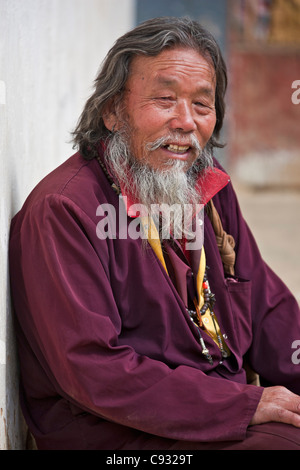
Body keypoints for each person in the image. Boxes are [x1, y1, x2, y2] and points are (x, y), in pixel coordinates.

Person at [9, 17, 300, 450]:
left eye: (202, 105)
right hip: (121, 433)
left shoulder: (207, 183)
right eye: (165, 99)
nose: (185, 121)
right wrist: (241, 405)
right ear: (112, 111)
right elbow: (93, 371)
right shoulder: (64, 211)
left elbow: (264, 302)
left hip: (219, 403)